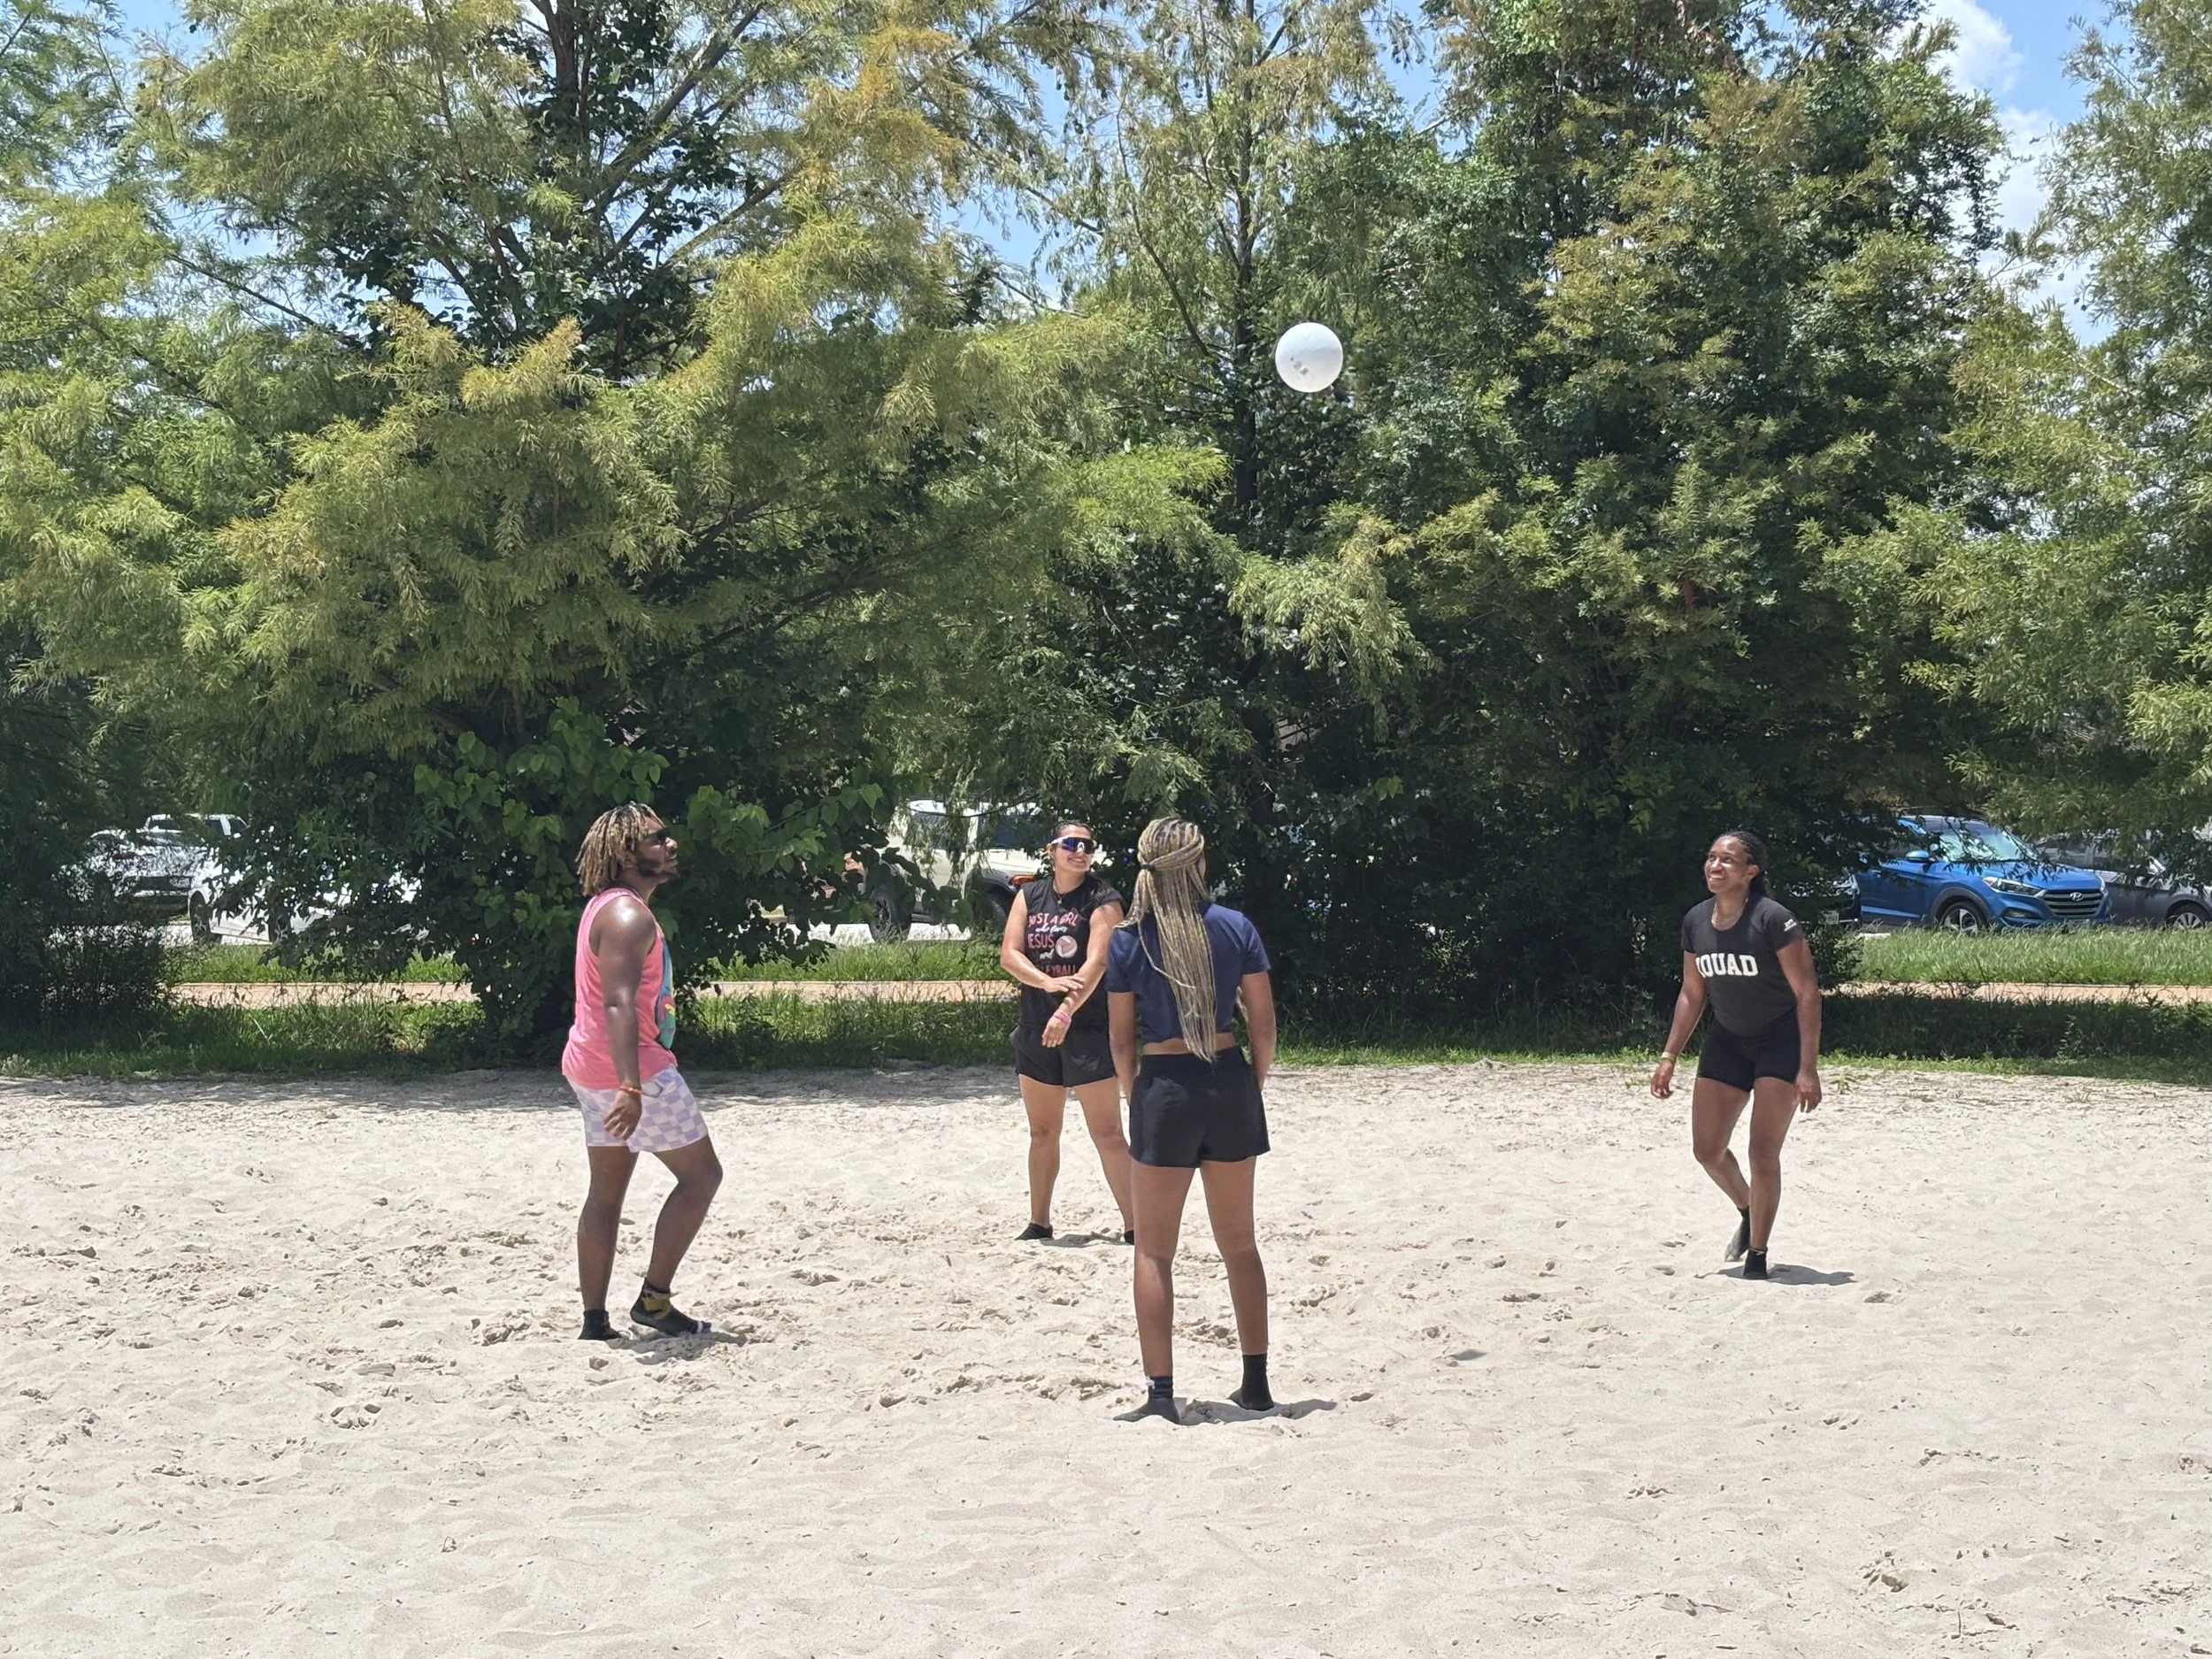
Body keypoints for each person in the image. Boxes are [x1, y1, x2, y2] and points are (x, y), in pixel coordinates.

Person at [1104, 817, 1277, 1422]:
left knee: (1154, 1251)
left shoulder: (1131, 940)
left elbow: (1121, 1043)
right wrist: (1248, 1084)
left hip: (1166, 1087)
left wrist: (1137, 1098)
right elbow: (1263, 1025)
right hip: (1228, 1080)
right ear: (1199, 865)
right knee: (1240, 1245)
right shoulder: (1234, 927)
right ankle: (1255, 1382)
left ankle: (1160, 1393)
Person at [563, 803, 724, 1339]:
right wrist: (632, 1086)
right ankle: (654, 1302)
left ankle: (594, 1322)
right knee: (702, 1177)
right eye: (657, 839)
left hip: (588, 1066)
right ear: (625, 854)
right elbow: (618, 1003)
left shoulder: (604, 906)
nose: (670, 844)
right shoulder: (630, 916)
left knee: (606, 1194)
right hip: (633, 1073)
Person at [1649, 829, 1823, 1281]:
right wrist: (1670, 1055)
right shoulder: (1696, 921)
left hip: (1778, 1042)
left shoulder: (1773, 919)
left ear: (1751, 872)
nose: (1715, 866)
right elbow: (1692, 993)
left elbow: (1807, 994)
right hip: (1727, 1040)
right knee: (1707, 1149)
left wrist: (1807, 1068)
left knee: (1762, 1152)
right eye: (1711, 858)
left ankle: (1759, 1255)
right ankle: (1748, 1209)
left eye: (1728, 860)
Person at [998, 821, 1135, 1243]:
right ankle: (1039, 1222)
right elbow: (1009, 955)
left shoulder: (1103, 898)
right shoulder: (1028, 895)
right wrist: (1045, 984)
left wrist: (1066, 1011)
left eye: (1088, 845)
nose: (1081, 851)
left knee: (1108, 1133)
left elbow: (1097, 963)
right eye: (1071, 844)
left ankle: (1137, 1224)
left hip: (1087, 1026)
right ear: (1051, 850)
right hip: (1037, 1025)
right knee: (1042, 1132)